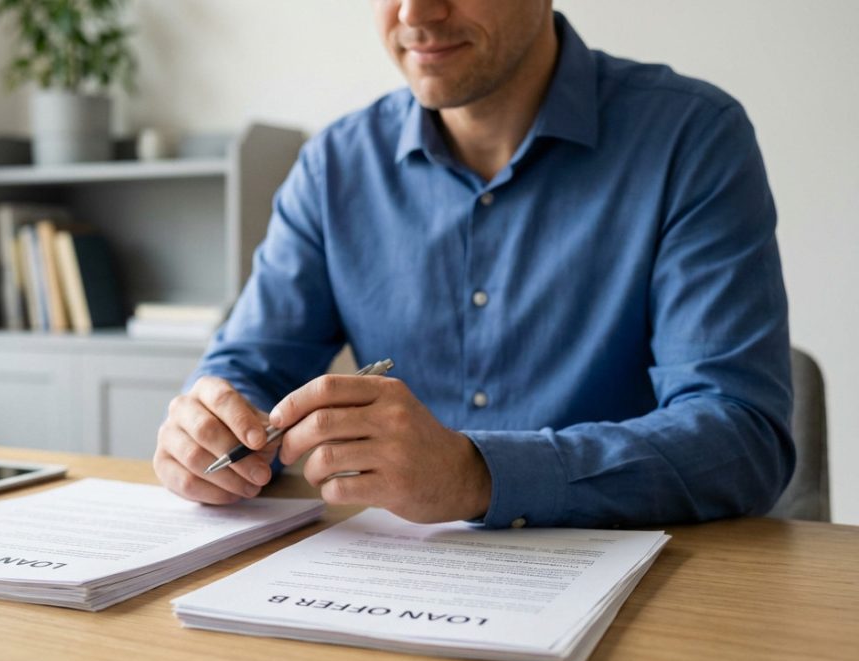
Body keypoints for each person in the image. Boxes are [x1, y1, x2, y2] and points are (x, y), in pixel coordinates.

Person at [152, 0, 794, 528]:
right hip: (392, 585)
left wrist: (475, 474)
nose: (415, 13)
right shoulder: (333, 168)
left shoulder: (692, 137)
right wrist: (212, 427)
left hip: (648, 593)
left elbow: (740, 438)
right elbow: (251, 365)